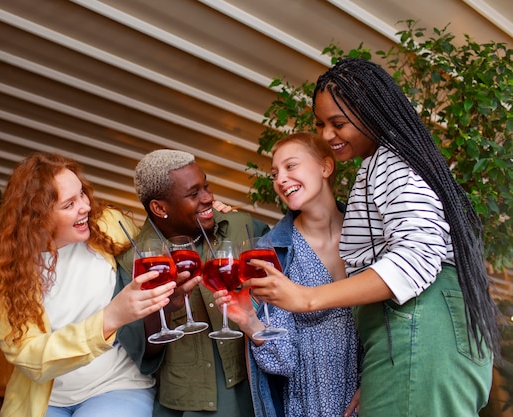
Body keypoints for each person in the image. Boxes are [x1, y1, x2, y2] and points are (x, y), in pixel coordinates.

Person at [245, 58, 499, 417]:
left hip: (418, 332)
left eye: (339, 123)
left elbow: (415, 257)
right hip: (411, 340)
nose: (327, 135)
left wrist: (307, 298)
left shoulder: (390, 161)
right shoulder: (389, 160)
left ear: (373, 112)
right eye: (320, 124)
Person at [0, 152, 178, 417]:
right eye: (69, 204)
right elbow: (28, 355)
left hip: (118, 386)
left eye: (82, 193)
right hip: (44, 400)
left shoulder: (108, 225)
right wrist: (109, 318)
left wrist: (213, 215)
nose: (85, 206)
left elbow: (165, 239)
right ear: (37, 218)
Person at [214, 132, 360, 417]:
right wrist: (250, 322)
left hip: (376, 392)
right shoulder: (273, 252)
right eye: (274, 173)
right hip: (309, 402)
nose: (280, 179)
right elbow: (284, 363)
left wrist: (376, 382)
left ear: (326, 167)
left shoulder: (369, 233)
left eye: (290, 166)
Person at [115, 149, 270, 417]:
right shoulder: (135, 260)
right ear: (160, 208)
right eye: (193, 193)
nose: (208, 197)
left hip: (253, 391)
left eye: (206, 186)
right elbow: (144, 352)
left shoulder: (241, 226)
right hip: (186, 404)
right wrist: (165, 306)